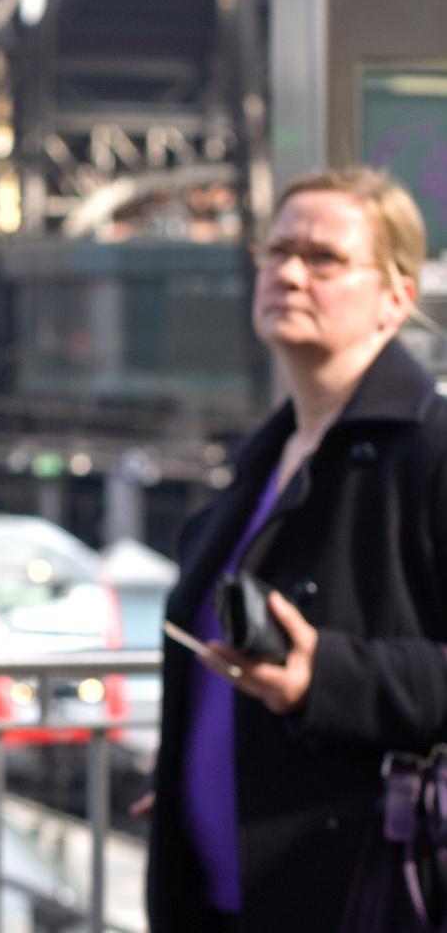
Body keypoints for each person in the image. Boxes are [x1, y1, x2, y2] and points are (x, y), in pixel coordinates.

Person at [147, 168, 447, 932]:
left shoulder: (430, 454)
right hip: (221, 895)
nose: (285, 272)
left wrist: (330, 677)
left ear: (395, 298)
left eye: (322, 259)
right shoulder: (261, 461)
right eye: (274, 250)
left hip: (358, 893)